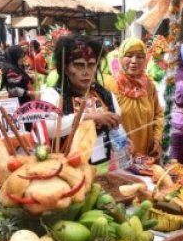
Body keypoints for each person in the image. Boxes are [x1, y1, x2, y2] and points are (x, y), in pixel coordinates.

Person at [41, 35, 121, 166]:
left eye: (91, 65)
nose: (86, 72)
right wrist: (88, 117)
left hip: (102, 169)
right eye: (79, 65)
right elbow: (47, 128)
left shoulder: (106, 96)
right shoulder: (53, 96)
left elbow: (116, 129)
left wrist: (124, 142)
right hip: (66, 171)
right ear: (66, 68)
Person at [105, 38, 164, 158]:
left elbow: (159, 114)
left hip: (146, 154)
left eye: (140, 56)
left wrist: (157, 138)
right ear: (120, 57)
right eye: (129, 55)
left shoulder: (149, 85)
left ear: (145, 59)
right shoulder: (109, 84)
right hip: (119, 157)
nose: (134, 61)